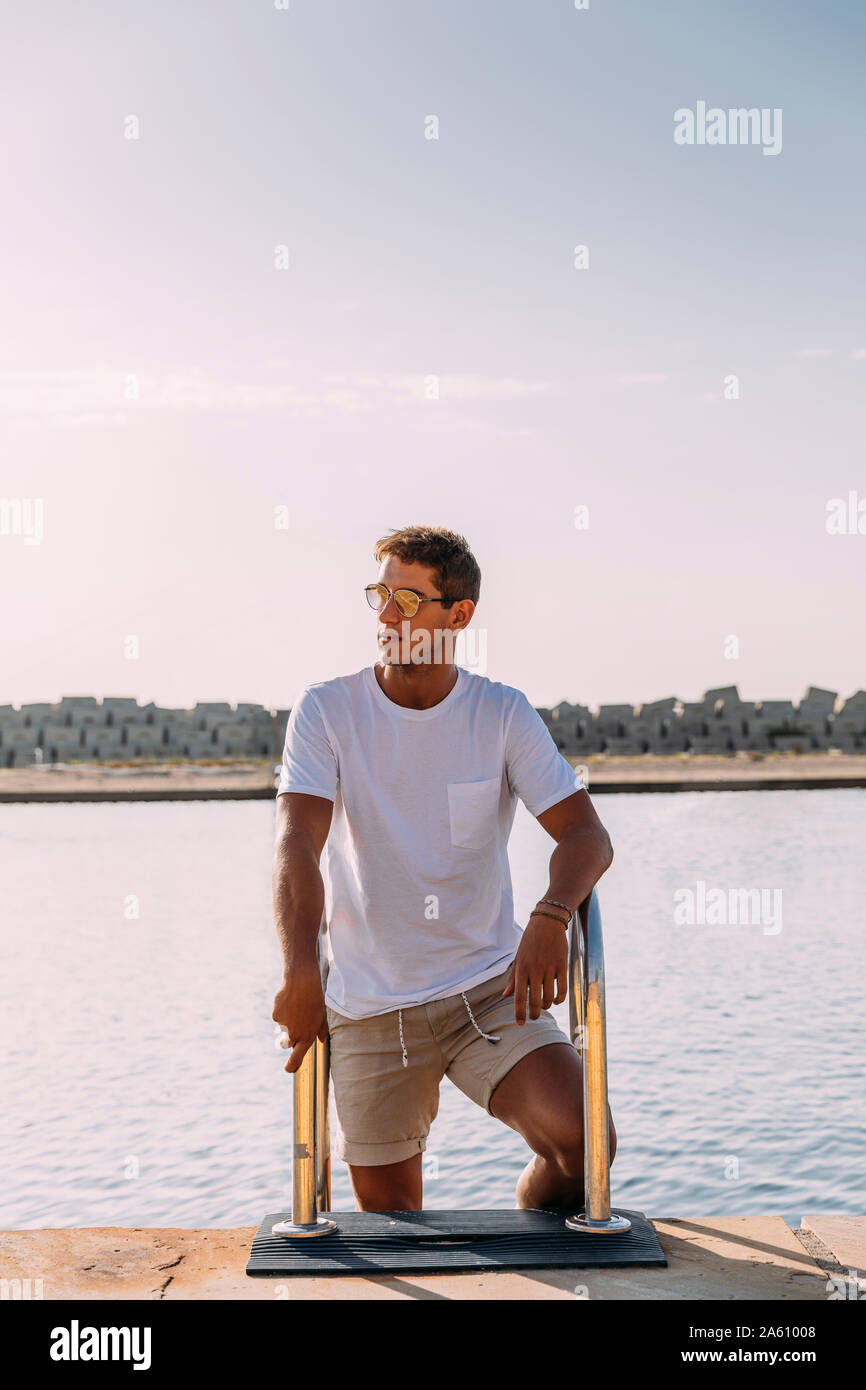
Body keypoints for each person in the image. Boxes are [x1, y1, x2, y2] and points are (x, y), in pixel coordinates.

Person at [271, 524, 616, 1212]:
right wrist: (300, 970)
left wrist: (550, 917)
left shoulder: (501, 713)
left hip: (488, 990)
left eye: (407, 598)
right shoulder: (328, 710)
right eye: (381, 596)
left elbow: (585, 835)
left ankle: (539, 1245)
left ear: (458, 616)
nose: (387, 616)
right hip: (370, 1006)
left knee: (587, 1146)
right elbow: (297, 843)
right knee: (395, 1228)